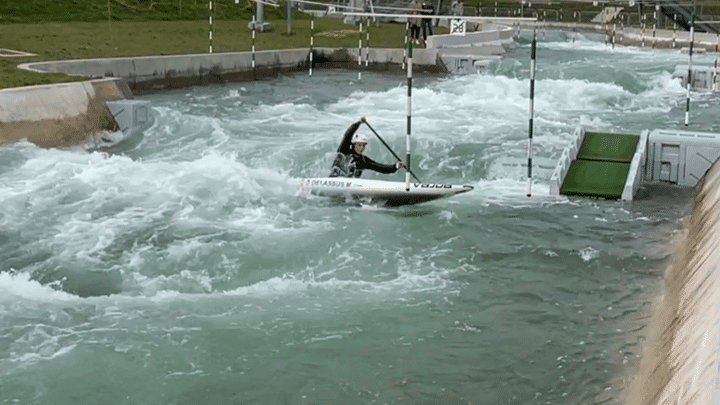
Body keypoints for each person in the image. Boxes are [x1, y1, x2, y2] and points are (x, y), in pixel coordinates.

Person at [329, 117, 405, 178]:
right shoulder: (344, 150)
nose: (362, 148)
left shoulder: (363, 160)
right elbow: (348, 135)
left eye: (364, 145)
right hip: (334, 181)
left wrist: (396, 166)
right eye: (359, 145)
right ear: (353, 145)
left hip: (350, 189)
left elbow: (380, 167)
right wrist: (358, 123)